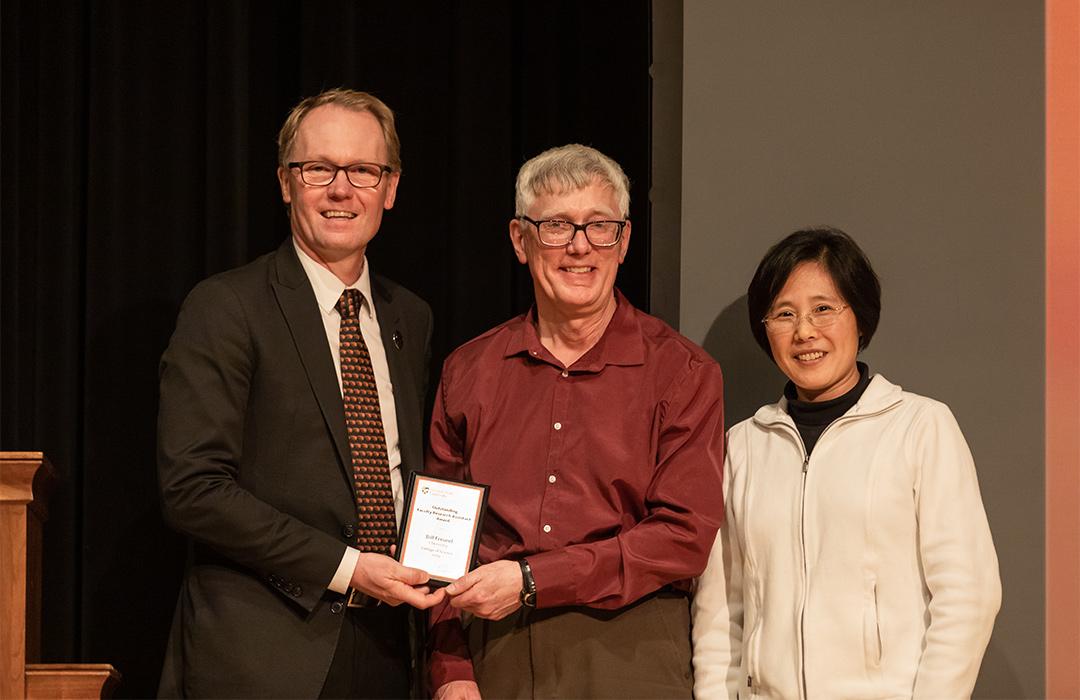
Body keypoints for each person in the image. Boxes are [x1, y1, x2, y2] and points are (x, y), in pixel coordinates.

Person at [157, 88, 444, 699]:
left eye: (364, 170)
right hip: (263, 656)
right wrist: (347, 568)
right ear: (286, 184)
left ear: (390, 188)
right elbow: (193, 490)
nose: (342, 190)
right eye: (318, 169)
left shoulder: (409, 317)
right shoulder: (227, 307)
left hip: (393, 649)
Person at [425, 144, 725, 699]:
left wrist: (536, 581)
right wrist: (451, 670)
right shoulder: (467, 371)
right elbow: (437, 546)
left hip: (629, 655)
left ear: (625, 240)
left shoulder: (682, 372)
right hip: (496, 655)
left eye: (600, 226)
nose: (580, 246)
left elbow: (683, 537)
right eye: (557, 226)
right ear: (521, 239)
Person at [692, 227, 1001, 699]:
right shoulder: (742, 446)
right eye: (784, 314)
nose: (804, 332)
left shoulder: (921, 427)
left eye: (823, 309)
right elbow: (721, 612)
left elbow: (968, 596)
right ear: (765, 330)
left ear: (860, 318)